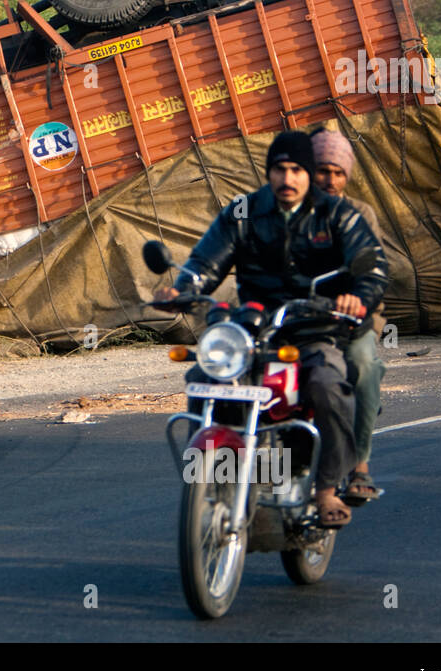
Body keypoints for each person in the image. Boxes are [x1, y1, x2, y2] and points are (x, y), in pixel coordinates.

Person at [154, 130, 389, 527]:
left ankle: (327, 487)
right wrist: (183, 287)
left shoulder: (337, 214)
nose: (288, 178)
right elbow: (206, 263)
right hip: (255, 326)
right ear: (269, 172)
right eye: (280, 169)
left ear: (308, 174)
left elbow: (371, 264)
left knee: (328, 387)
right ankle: (216, 481)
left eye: (297, 170)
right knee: (204, 375)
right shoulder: (243, 211)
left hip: (316, 326)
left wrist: (358, 296)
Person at [311, 129, 387, 505]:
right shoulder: (287, 213)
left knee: (364, 366)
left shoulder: (362, 214)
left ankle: (360, 467)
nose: (331, 179)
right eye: (322, 170)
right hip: (301, 320)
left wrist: (357, 301)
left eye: (338, 172)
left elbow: (373, 271)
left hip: (351, 320)